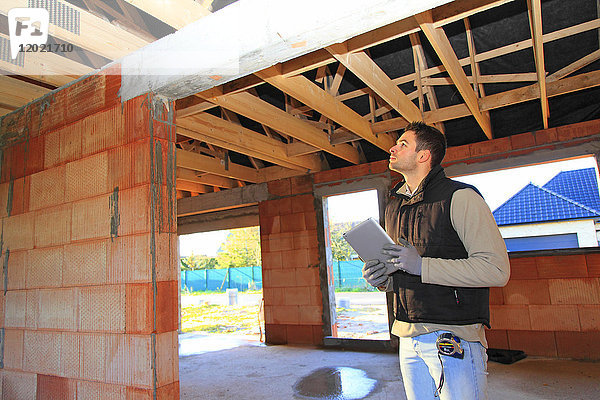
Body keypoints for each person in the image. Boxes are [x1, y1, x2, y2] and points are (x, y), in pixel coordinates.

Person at [362, 121, 510, 400]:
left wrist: (421, 265)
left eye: (403, 143)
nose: (392, 147)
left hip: (452, 333)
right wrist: (383, 279)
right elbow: (403, 270)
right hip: (407, 334)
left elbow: (496, 270)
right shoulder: (394, 205)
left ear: (423, 156)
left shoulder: (461, 197)